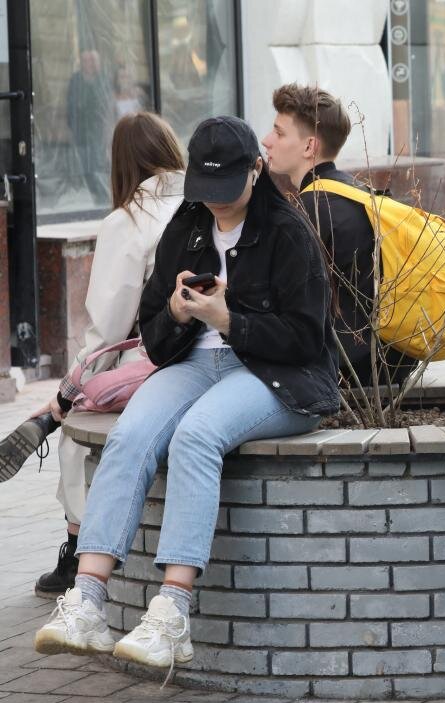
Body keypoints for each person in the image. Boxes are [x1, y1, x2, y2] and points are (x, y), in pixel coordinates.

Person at [33, 116, 339, 669]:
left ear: (256, 170)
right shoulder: (189, 223)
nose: (216, 204)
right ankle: (87, 601)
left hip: (274, 375)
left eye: (227, 191)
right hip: (195, 364)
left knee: (196, 437)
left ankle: (172, 614)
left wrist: (231, 320)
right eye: (206, 190)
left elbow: (306, 339)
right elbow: (151, 326)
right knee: (131, 434)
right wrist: (176, 312)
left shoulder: (288, 231)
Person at [0, 112, 185, 597]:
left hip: (151, 361)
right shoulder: (202, 205)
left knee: (77, 435)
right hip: (207, 355)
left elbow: (107, 328)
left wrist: (69, 390)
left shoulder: (128, 221)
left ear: (123, 164)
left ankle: (77, 552)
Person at [262, 83, 413, 387]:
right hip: (393, 359)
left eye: (279, 133)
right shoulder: (360, 194)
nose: (266, 141)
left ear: (309, 147)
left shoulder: (306, 214)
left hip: (345, 373)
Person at [68, 49, 114, 205]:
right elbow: (71, 107)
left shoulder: (103, 80)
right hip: (80, 130)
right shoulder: (76, 80)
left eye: (93, 60)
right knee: (83, 161)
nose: (90, 64)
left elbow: (108, 106)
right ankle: (92, 193)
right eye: (86, 60)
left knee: (97, 161)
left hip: (99, 129)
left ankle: (101, 195)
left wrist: (108, 129)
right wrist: (71, 129)